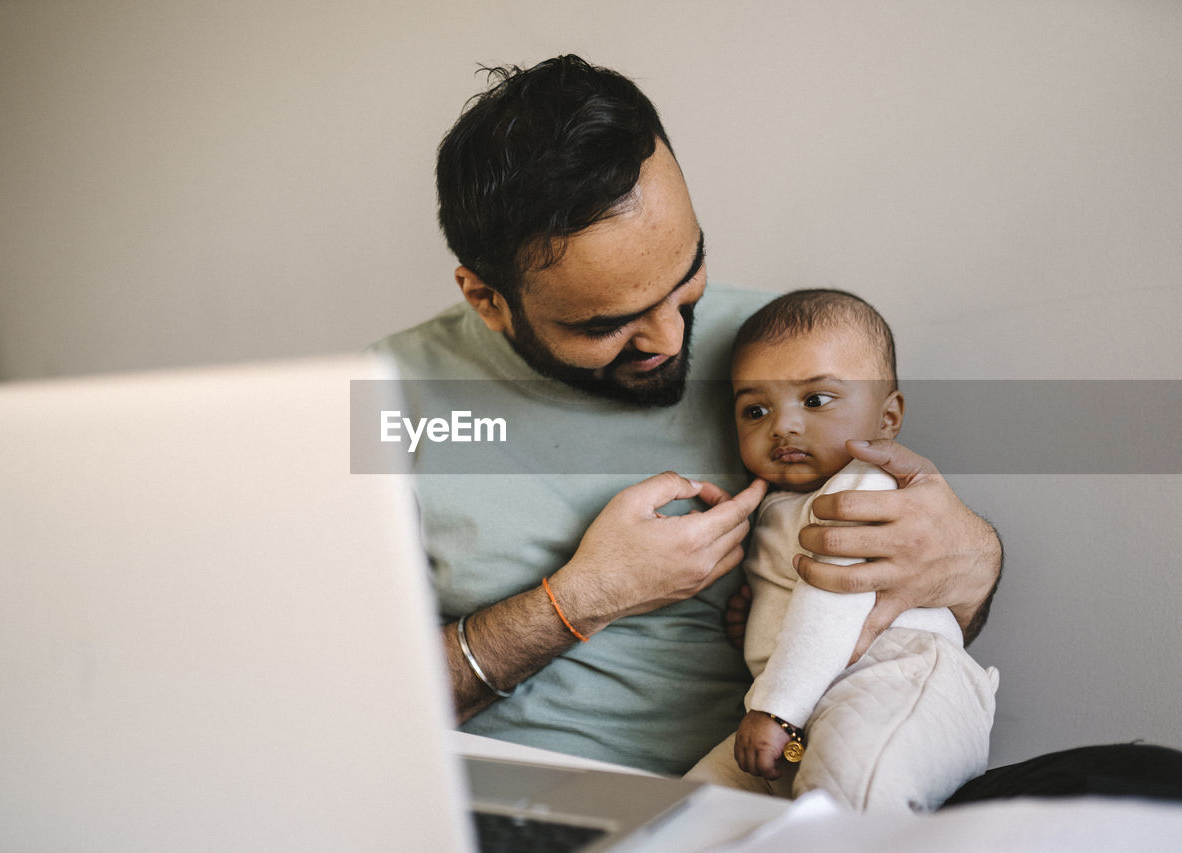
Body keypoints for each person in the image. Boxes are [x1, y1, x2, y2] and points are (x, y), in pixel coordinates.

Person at [368, 55, 1002, 777]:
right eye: (608, 322)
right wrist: (580, 599)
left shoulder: (783, 352)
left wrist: (972, 559)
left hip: (757, 794)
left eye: (685, 278)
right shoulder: (383, 404)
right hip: (517, 803)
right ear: (487, 298)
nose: (671, 340)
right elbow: (347, 706)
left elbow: (922, 613)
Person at [686, 289, 998, 811]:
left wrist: (778, 710)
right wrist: (762, 618)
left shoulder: (866, 486)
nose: (782, 425)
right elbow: (798, 601)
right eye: (755, 409)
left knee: (851, 793)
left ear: (887, 418)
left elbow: (833, 603)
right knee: (687, 805)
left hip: (901, 677)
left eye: (815, 400)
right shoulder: (779, 503)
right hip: (806, 701)